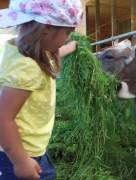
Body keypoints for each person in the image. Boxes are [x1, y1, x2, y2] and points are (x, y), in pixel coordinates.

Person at [0, 0, 83, 179]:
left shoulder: (26, 51)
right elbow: (3, 118)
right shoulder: (27, 68)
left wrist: (71, 47)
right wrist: (21, 162)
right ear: (46, 28)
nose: (68, 37)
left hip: (31, 147)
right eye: (67, 32)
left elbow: (47, 60)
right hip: (19, 152)